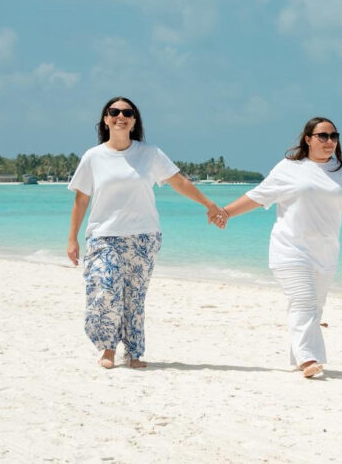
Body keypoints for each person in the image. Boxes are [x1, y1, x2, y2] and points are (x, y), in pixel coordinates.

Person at [67, 96, 228, 369]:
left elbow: (177, 181)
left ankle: (133, 351)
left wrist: (209, 204)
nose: (121, 116)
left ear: (134, 120)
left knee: (134, 296)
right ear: (105, 120)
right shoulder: (93, 157)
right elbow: (81, 199)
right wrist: (72, 238)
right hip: (103, 236)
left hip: (144, 236)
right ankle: (107, 348)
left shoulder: (149, 153)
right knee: (105, 290)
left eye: (127, 112)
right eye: (114, 112)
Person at [222, 117, 342, 378]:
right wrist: (225, 213)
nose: (329, 141)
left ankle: (298, 354)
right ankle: (308, 359)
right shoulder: (289, 168)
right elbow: (259, 195)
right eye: (323, 136)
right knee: (304, 302)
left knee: (314, 307)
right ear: (307, 139)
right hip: (289, 249)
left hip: (325, 253)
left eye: (334, 136)